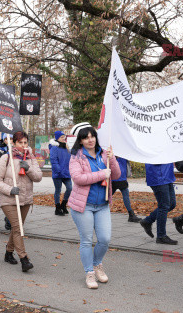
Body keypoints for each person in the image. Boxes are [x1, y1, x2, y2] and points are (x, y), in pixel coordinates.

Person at [67, 122, 120, 289]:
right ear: (80, 140)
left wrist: (113, 159)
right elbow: (78, 178)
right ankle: (89, 273)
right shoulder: (76, 156)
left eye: (92, 136)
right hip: (84, 206)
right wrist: (101, 174)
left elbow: (116, 175)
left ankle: (97, 264)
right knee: (86, 240)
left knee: (104, 239)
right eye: (85, 137)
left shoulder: (104, 154)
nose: (90, 139)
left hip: (102, 205)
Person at [0, 131, 42, 272]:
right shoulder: (6, 158)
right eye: (20, 142)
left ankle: (8, 253)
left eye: (25, 142)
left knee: (16, 228)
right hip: (8, 199)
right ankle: (24, 259)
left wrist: (29, 168)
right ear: (14, 143)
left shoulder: (30, 158)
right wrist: (9, 189)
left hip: (25, 199)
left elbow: (38, 177)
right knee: (18, 228)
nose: (23, 145)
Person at [139, 163, 177, 245]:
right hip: (158, 176)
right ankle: (161, 236)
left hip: (167, 175)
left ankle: (148, 221)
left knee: (171, 204)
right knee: (164, 206)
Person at [49, 130, 72, 216]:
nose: (64, 138)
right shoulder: (54, 148)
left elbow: (70, 159)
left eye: (64, 137)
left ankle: (63, 205)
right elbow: (53, 161)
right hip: (58, 173)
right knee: (58, 190)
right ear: (57, 138)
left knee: (70, 188)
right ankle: (57, 208)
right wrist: (58, 170)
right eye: (62, 137)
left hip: (66, 173)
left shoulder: (66, 147)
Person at [111, 157, 141, 223]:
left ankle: (131, 215)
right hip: (118, 176)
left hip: (119, 176)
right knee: (124, 195)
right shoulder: (117, 150)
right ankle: (131, 215)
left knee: (109, 196)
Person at [0, 133, 12, 230]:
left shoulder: (16, 149)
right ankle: (8, 219)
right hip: (5, 178)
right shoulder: (0, 150)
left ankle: (10, 219)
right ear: (4, 140)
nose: (10, 140)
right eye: (7, 139)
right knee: (7, 200)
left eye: (11, 139)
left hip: (14, 178)